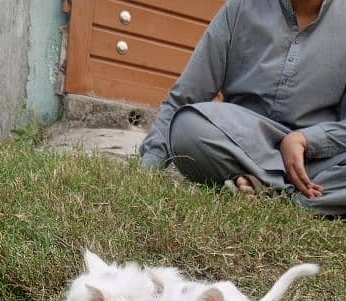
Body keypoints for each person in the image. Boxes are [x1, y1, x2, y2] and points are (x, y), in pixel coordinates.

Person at [139, 0, 346, 216]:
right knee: (185, 127)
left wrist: (306, 139)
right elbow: (184, 97)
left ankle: (277, 193)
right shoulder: (240, 8)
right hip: (242, 144)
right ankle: (297, 197)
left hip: (314, 164)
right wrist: (148, 166)